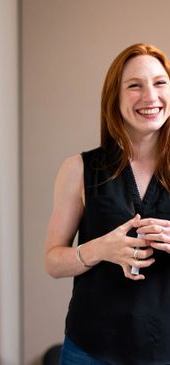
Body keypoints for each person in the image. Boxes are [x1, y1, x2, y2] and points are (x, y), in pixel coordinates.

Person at [45, 43, 170, 365]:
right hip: (90, 351)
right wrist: (100, 249)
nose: (150, 96)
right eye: (134, 86)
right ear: (114, 97)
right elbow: (53, 262)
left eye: (159, 83)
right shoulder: (78, 169)